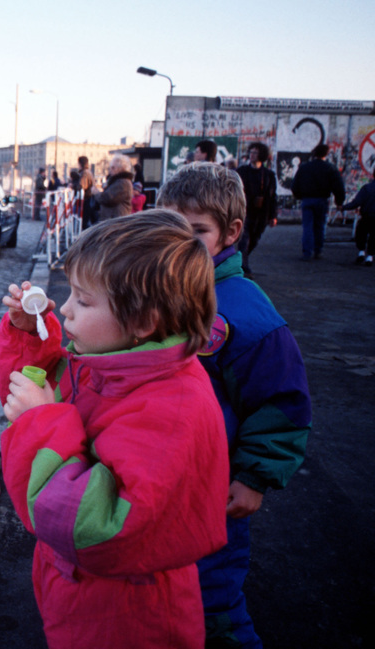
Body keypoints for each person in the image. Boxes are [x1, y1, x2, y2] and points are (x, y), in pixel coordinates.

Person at [0, 210, 229, 649]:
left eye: (83, 301)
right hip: (85, 596)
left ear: (143, 321)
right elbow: (37, 388)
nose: (63, 308)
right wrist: (32, 334)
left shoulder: (172, 408)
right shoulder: (113, 365)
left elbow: (98, 526)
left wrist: (38, 422)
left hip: (128, 618)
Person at [157, 163, 312, 648]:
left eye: (196, 230)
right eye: (170, 227)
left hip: (214, 493)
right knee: (161, 596)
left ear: (231, 232)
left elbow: (281, 403)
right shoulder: (158, 290)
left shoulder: (246, 313)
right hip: (157, 481)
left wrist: (253, 477)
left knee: (212, 601)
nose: (181, 241)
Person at [291, 143, 345, 260]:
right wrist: (339, 202)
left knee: (307, 227)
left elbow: (295, 185)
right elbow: (338, 186)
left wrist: (300, 196)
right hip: (322, 200)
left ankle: (307, 252)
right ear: (326, 154)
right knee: (319, 226)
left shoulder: (305, 167)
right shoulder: (330, 168)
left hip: (307, 199)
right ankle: (318, 250)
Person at [235, 143, 278, 276]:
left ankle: (242, 260)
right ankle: (244, 267)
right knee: (244, 240)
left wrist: (273, 215)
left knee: (254, 240)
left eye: (255, 153)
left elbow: (272, 196)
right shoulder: (242, 171)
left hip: (261, 213)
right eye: (251, 152)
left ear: (262, 155)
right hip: (244, 211)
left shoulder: (268, 175)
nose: (251, 155)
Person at [342, 176, 375, 266]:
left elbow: (356, 202)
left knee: (361, 234)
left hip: (366, 215)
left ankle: (361, 252)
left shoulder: (366, 188)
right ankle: (370, 257)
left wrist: (344, 207)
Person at [96, 154, 134, 220]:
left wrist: (96, 193)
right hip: (113, 220)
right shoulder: (118, 181)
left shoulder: (122, 183)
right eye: (110, 167)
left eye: (113, 168)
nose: (110, 170)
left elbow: (107, 198)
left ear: (121, 169)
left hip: (116, 221)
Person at [78, 155, 97, 227]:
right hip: (89, 198)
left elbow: (82, 186)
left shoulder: (84, 173)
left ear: (80, 163)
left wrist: (74, 186)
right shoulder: (88, 172)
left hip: (86, 199)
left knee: (84, 221)